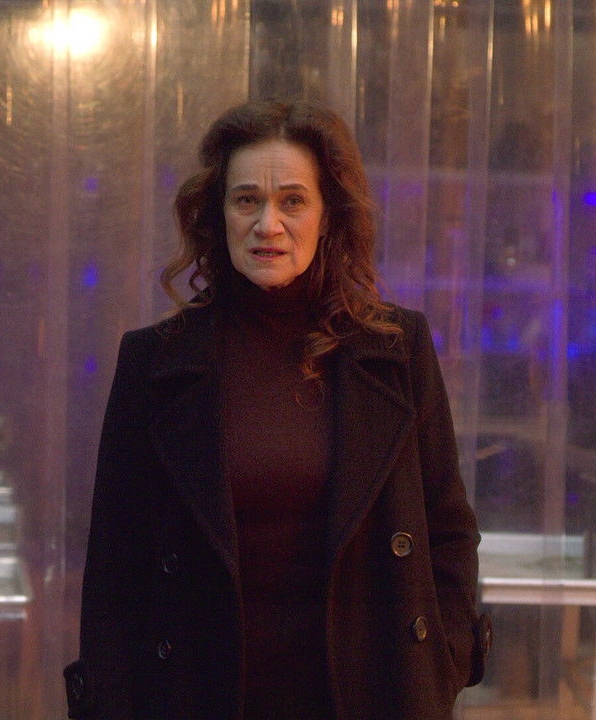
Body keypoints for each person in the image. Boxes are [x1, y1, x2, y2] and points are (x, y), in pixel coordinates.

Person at [65, 100, 491, 720]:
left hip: (370, 698)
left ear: (327, 215)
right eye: (247, 200)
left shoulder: (398, 349)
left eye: (293, 201)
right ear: (219, 212)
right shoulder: (153, 361)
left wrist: (441, 664)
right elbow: (115, 564)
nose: (269, 224)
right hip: (198, 698)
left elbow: (449, 529)